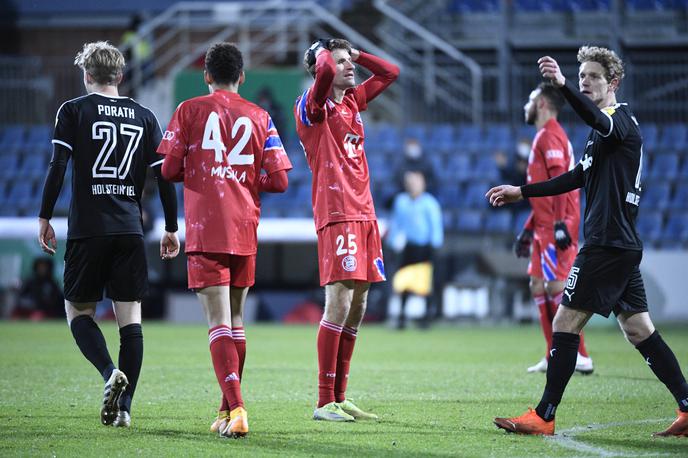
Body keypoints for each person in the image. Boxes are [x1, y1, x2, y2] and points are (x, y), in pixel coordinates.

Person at [487, 46, 688, 437]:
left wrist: (562, 86)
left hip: (606, 243)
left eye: (593, 76)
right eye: (580, 77)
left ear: (612, 82)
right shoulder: (601, 133)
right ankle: (687, 404)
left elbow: (598, 119)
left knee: (565, 321)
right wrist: (521, 192)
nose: (585, 82)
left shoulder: (619, 122)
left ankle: (544, 414)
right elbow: (575, 177)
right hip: (620, 244)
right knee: (638, 330)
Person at [37, 41, 180, 428]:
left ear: (87, 76)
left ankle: (107, 373)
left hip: (88, 230)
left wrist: (45, 216)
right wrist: (170, 226)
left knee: (78, 312)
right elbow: (163, 176)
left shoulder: (73, 111)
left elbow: (58, 165)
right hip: (130, 229)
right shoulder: (144, 115)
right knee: (130, 320)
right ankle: (125, 409)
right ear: (120, 75)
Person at [159, 42, 292, 438]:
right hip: (244, 226)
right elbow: (281, 181)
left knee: (217, 323)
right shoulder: (260, 115)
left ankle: (237, 408)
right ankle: (224, 411)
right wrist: (248, 179)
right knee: (236, 322)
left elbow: (167, 169)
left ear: (206, 76)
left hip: (207, 227)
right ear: (242, 77)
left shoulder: (189, 110)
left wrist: (201, 170)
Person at [294, 38, 399, 421]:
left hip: (365, 212)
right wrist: (323, 52)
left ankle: (340, 396)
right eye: (341, 61)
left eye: (349, 60)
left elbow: (391, 72)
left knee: (358, 307)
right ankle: (323, 402)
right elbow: (321, 71)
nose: (349, 66)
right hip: (336, 211)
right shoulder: (312, 106)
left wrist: (357, 54)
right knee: (337, 303)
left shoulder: (353, 100)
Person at [516, 82, 593, 375]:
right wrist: (528, 228)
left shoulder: (550, 136)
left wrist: (561, 222)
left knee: (557, 286)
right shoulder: (542, 136)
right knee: (538, 285)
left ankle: (581, 355)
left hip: (556, 225)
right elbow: (542, 192)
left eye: (531, 99)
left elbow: (561, 184)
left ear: (543, 104)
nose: (527, 105)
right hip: (543, 224)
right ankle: (552, 355)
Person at [387, 170, 443, 329]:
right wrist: (393, 242)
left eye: (416, 182)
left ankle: (426, 317)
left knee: (424, 283)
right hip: (407, 248)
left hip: (424, 248)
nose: (413, 185)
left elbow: (435, 226)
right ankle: (402, 317)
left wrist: (435, 246)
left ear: (423, 184)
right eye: (410, 182)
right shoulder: (401, 201)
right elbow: (396, 223)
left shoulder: (430, 203)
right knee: (404, 282)